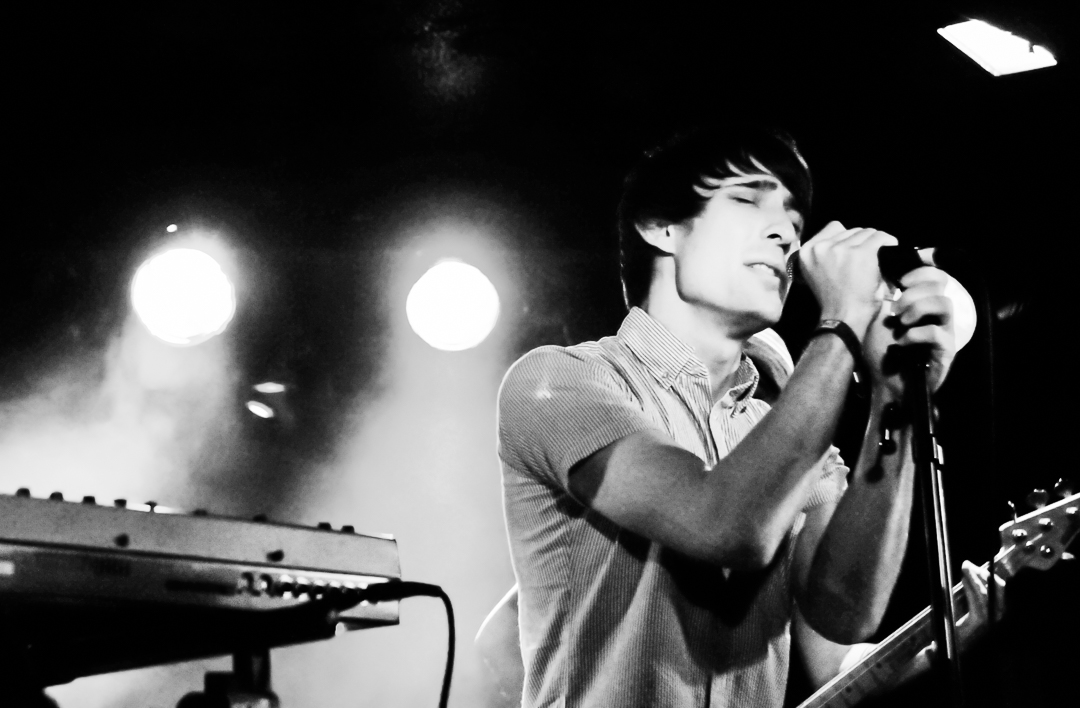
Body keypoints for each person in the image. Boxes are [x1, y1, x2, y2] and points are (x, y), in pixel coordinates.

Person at [493, 126, 999, 708]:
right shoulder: (561, 382)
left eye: (794, 219)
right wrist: (840, 323)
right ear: (661, 226)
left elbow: (841, 615)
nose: (786, 233)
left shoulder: (785, 426)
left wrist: (897, 399)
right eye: (747, 199)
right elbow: (724, 525)